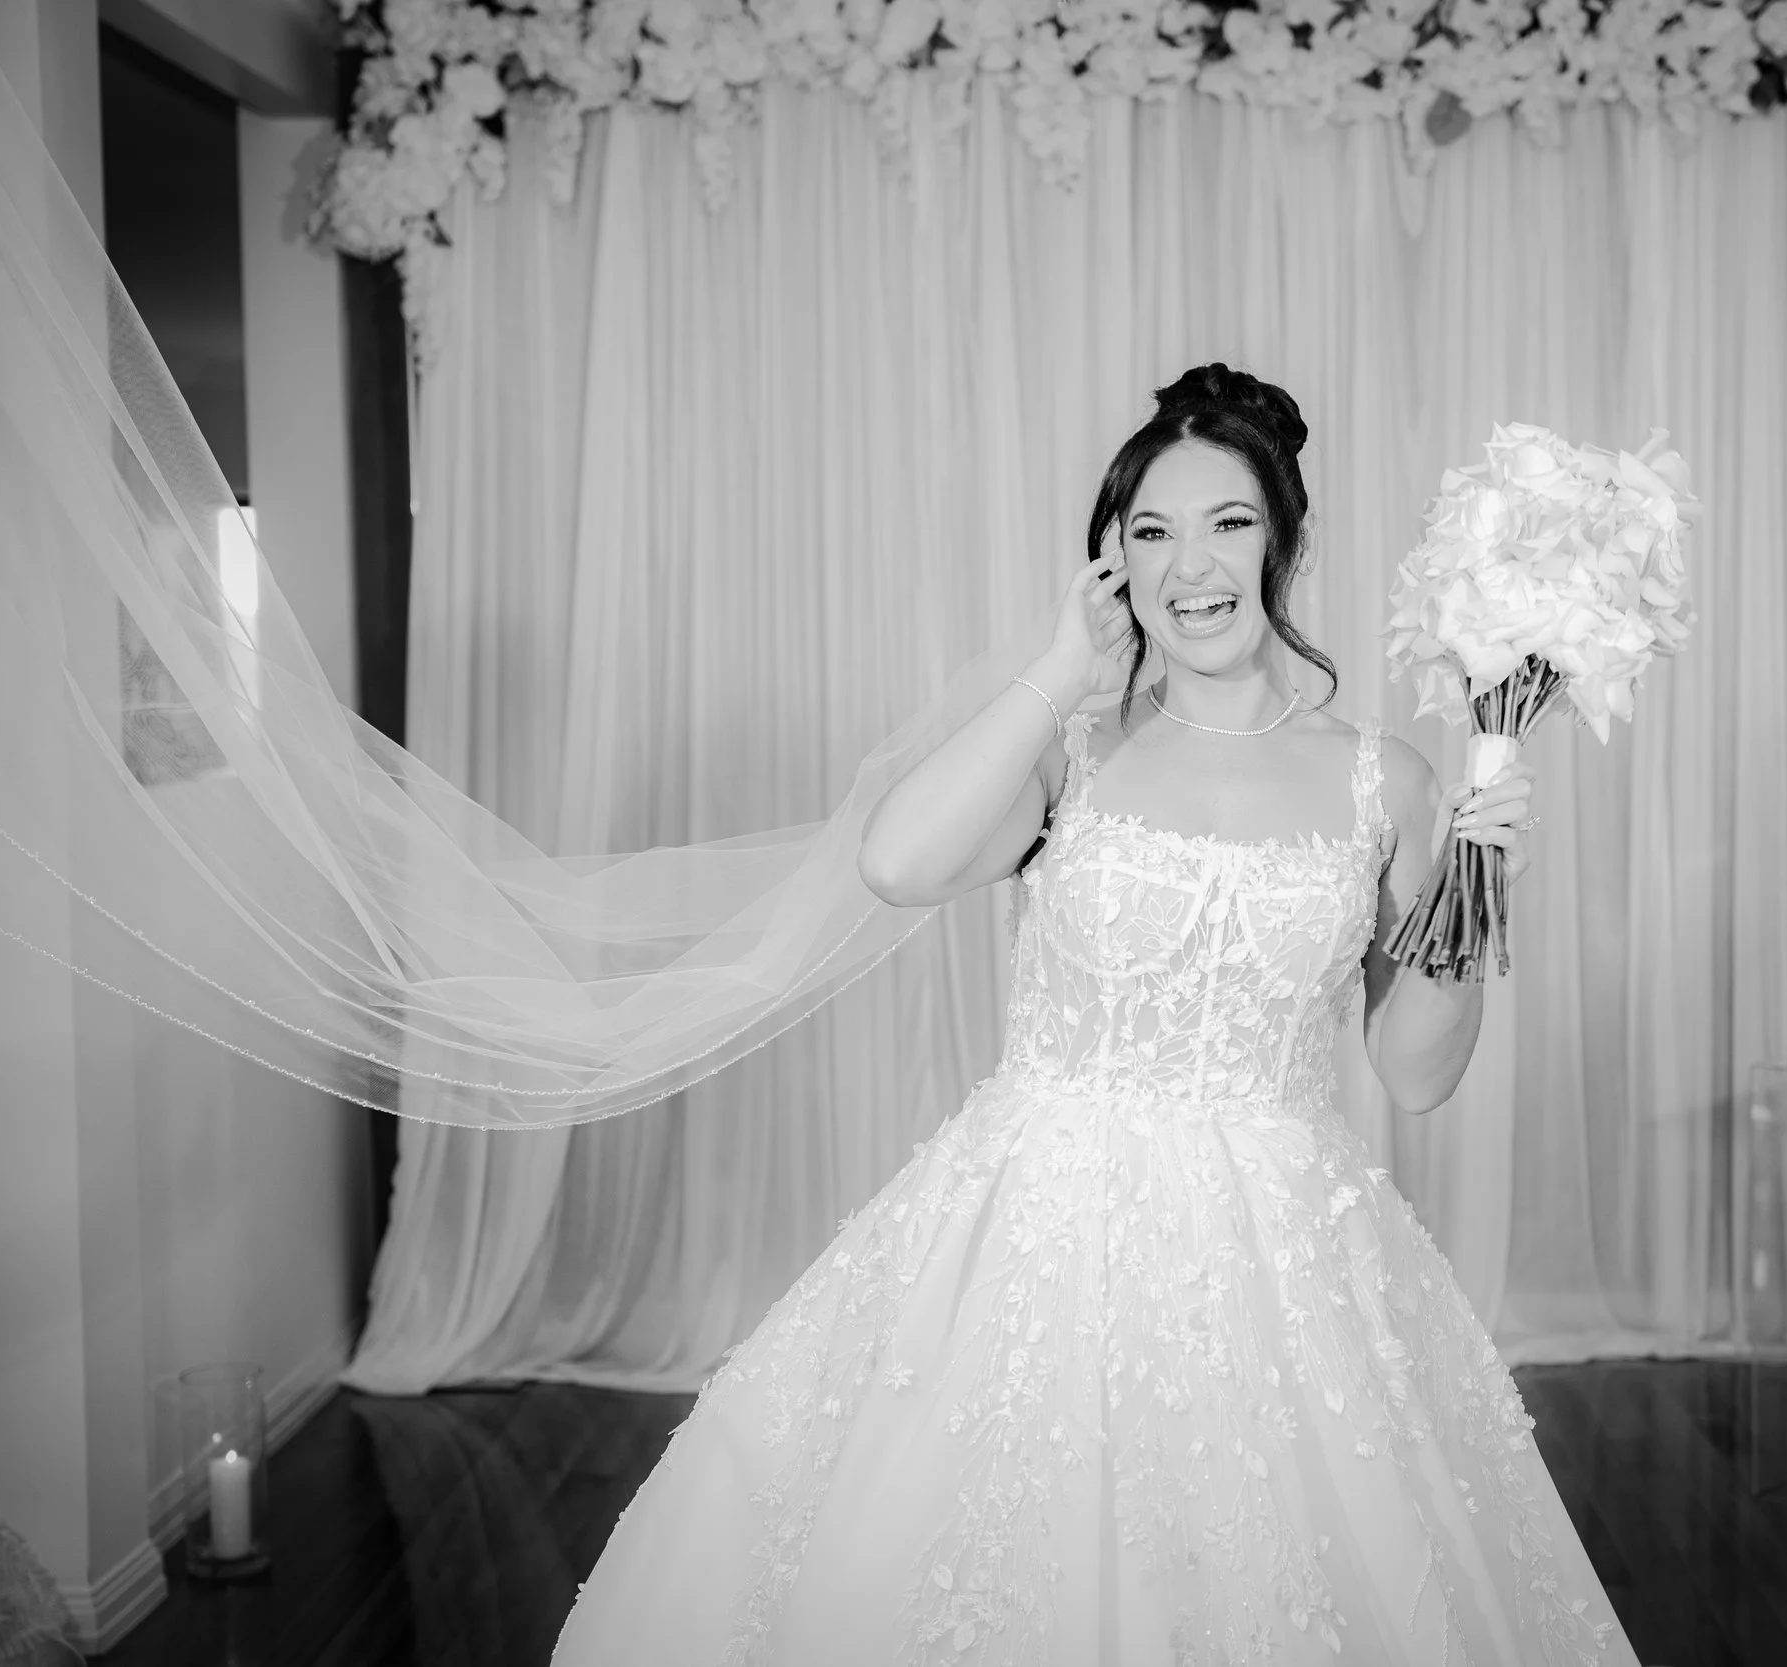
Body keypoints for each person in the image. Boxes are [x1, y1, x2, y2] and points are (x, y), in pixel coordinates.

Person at [552, 362, 1634, 1665]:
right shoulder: (1074, 753)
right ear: (1115, 561)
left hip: (1281, 1259)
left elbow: (1414, 1073)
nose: (1193, 566)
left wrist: (1477, 879)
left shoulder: (1384, 782)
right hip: (1037, 1234)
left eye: (1229, 522)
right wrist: (1058, 672)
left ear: (1283, 540)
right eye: (1153, 531)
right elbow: (894, 863)